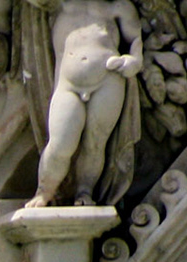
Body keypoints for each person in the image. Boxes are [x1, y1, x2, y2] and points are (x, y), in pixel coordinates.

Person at [16, 0, 143, 207]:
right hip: (68, 85)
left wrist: (134, 62)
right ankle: (44, 192)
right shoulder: (59, 4)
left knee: (95, 143)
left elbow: (136, 40)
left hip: (109, 80)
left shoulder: (118, 7)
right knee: (60, 145)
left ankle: (85, 192)